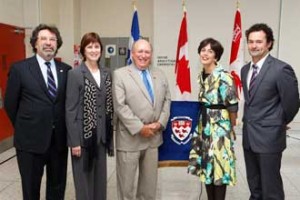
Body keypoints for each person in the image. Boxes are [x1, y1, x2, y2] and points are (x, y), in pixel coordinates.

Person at [4, 24, 71, 200]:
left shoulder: (66, 70)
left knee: (57, 188)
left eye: (52, 39)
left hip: (58, 142)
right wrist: (27, 126)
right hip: (30, 143)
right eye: (44, 39)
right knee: (31, 189)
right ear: (35, 43)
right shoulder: (20, 69)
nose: (48, 43)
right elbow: (11, 105)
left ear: (57, 44)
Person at [241, 23, 299, 200]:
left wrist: (278, 122)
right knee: (255, 186)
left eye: (259, 41)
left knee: (271, 188)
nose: (254, 46)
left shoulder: (281, 69)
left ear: (269, 44)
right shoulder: (245, 70)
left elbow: (292, 103)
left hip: (270, 138)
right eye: (251, 41)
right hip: (249, 138)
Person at [112, 39, 171, 200]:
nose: (143, 55)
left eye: (147, 52)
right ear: (132, 53)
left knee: (149, 189)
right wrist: (140, 128)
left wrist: (160, 123)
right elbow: (120, 106)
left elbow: (167, 100)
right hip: (130, 139)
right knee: (127, 189)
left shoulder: (160, 74)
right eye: (140, 51)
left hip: (153, 138)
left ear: (151, 55)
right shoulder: (120, 74)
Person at [188, 38, 238, 200]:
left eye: (210, 51)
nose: (205, 53)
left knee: (219, 170)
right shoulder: (201, 75)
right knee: (207, 170)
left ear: (216, 56)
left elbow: (232, 107)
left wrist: (231, 130)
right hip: (204, 129)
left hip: (219, 130)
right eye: (203, 50)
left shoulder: (224, 77)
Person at [65, 32, 114, 200]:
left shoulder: (107, 73)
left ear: (101, 49)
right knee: (84, 183)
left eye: (97, 46)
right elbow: (70, 109)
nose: (94, 50)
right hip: (83, 138)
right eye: (89, 46)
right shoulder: (75, 74)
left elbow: (108, 105)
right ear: (83, 50)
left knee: (100, 182)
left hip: (101, 137)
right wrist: (74, 141)